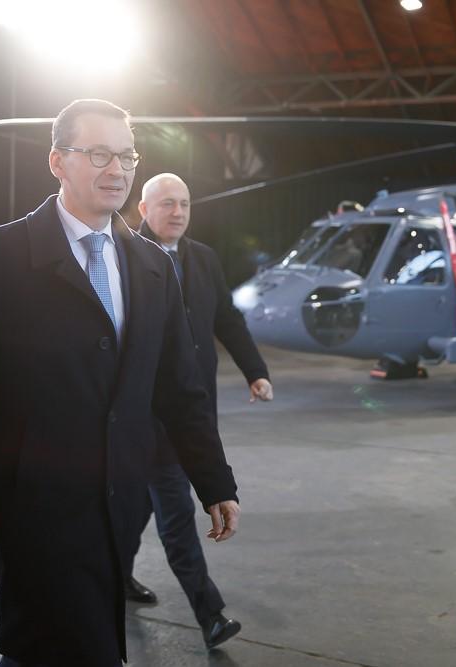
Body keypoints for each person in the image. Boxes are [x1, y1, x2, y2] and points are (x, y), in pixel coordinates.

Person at [0, 99, 240, 667]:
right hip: (36, 512)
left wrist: (215, 481)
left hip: (118, 506)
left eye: (127, 156)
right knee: (46, 650)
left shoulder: (151, 268)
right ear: (57, 162)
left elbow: (179, 389)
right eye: (98, 154)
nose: (117, 170)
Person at [125, 173, 273, 649]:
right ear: (144, 209)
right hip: (150, 416)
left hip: (193, 409)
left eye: (185, 203)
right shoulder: (124, 257)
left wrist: (255, 370)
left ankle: (117, 578)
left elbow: (226, 318)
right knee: (175, 511)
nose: (179, 212)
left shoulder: (203, 259)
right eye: (167, 203)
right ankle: (209, 613)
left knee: (138, 509)